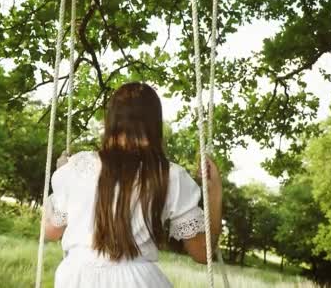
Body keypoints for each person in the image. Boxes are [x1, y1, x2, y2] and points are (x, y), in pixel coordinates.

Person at [44, 82, 223, 287]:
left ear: (111, 120)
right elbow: (203, 253)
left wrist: (62, 174)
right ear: (155, 123)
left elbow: (50, 232)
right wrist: (215, 191)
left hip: (77, 279)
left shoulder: (78, 166)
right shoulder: (169, 175)